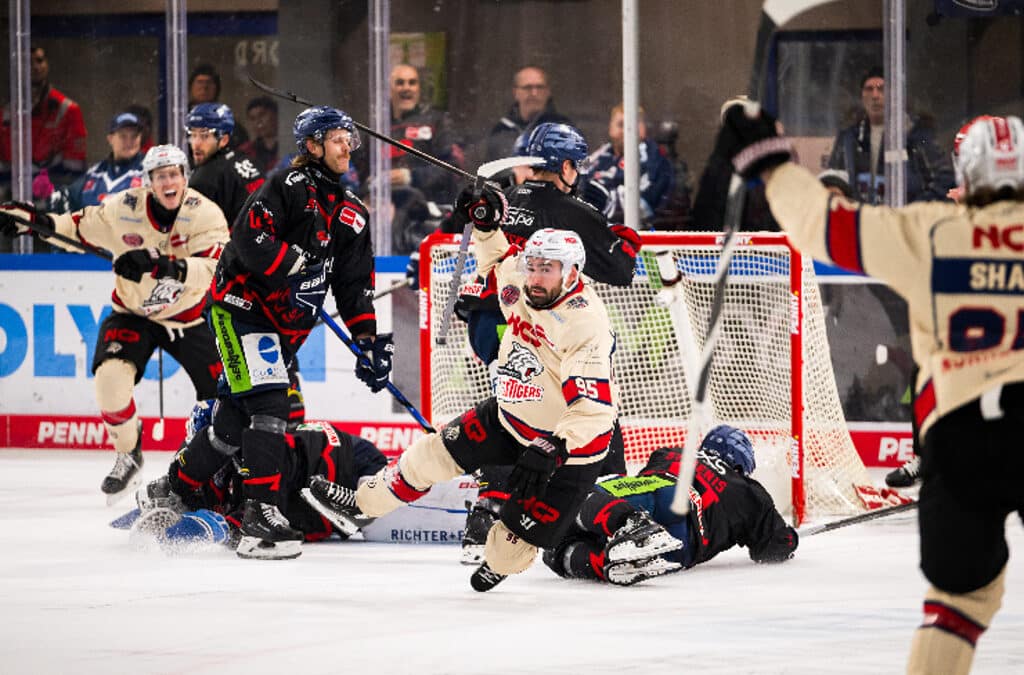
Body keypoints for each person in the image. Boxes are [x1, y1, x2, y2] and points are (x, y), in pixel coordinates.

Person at [714, 102, 1024, 675]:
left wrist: (771, 159)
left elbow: (821, 225)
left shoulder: (934, 230)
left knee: (958, 605)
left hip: (960, 438)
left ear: (969, 172)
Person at [305, 216, 619, 592]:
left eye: (547, 269)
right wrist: (485, 222)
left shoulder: (584, 323)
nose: (535, 278)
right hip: (508, 418)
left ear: (572, 273)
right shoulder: (522, 283)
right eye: (532, 266)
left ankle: (503, 561)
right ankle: (363, 504)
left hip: (569, 453)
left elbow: (594, 410)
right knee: (430, 453)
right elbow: (498, 258)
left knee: (508, 550)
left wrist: (556, 444)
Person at [189, 105, 391, 561]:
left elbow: (354, 286)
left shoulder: (351, 211)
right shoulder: (286, 186)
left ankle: (176, 487)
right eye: (338, 138)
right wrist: (299, 265)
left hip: (282, 329)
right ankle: (260, 517)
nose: (347, 146)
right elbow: (248, 239)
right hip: (240, 310)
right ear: (313, 145)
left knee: (232, 423)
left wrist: (367, 343)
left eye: (349, 138)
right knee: (271, 402)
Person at [0, 145, 229, 503]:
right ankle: (129, 451)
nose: (169, 182)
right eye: (161, 176)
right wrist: (35, 221)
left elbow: (214, 270)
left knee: (224, 398)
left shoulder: (206, 214)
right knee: (109, 381)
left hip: (191, 317)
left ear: (185, 176)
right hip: (134, 313)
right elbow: (77, 229)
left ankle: (217, 471)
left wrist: (159, 264)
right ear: (148, 181)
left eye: (175, 174)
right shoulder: (124, 209)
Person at [455, 122, 640, 563]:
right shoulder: (569, 211)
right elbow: (621, 269)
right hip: (531, 324)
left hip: (488, 322)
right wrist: (622, 237)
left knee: (514, 409)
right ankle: (607, 502)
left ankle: (485, 518)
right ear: (566, 165)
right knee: (582, 409)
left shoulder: (505, 198)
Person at [544, 425, 798, 586]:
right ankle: (609, 561)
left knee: (560, 542)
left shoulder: (671, 452)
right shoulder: (750, 493)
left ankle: (632, 524)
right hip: (684, 549)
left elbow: (645, 477)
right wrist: (790, 537)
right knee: (602, 555)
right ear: (742, 465)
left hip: (663, 494)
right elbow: (774, 548)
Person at [132, 401, 387, 548]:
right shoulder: (210, 464)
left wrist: (183, 532)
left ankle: (365, 502)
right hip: (317, 497)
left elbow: (240, 525)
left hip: (352, 461)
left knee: (377, 501)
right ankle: (361, 505)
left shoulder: (258, 452)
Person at [827, 66, 953, 205]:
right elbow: (832, 179)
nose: (875, 96)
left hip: (902, 223)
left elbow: (943, 181)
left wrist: (913, 211)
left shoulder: (916, 135)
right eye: (869, 89)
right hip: (861, 221)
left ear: (895, 96)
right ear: (862, 96)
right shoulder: (848, 138)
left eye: (882, 89)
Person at [0, 46, 88, 192]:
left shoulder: (68, 110)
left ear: (47, 64)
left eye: (39, 60)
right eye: (27, 62)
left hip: (53, 195)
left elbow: (75, 170)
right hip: (12, 195)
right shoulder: (5, 113)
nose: (34, 67)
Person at [585, 103, 674, 229]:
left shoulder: (655, 158)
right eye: (621, 125)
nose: (627, 131)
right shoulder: (601, 154)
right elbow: (580, 181)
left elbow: (643, 206)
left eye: (632, 125)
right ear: (610, 128)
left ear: (643, 129)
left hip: (641, 236)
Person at [48, 111, 145, 213]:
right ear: (110, 139)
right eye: (123, 136)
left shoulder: (149, 172)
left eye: (134, 136)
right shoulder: (95, 173)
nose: (129, 141)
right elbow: (66, 200)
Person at [186, 102, 265, 227]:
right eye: (193, 135)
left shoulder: (204, 179)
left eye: (204, 136)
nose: (196, 143)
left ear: (224, 139)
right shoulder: (251, 162)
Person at [484, 66, 572, 161]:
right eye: (528, 87)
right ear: (515, 92)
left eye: (540, 87)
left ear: (548, 91)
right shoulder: (502, 130)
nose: (534, 93)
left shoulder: (564, 129)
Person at [187, 63, 248, 147]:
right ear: (191, 88)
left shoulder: (230, 126)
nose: (204, 87)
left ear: (217, 89)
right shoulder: (178, 122)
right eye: (200, 82)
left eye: (209, 82)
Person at [237, 96, 280, 174]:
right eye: (253, 118)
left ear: (275, 114)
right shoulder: (245, 151)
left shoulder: (289, 144)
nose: (258, 122)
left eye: (262, 115)